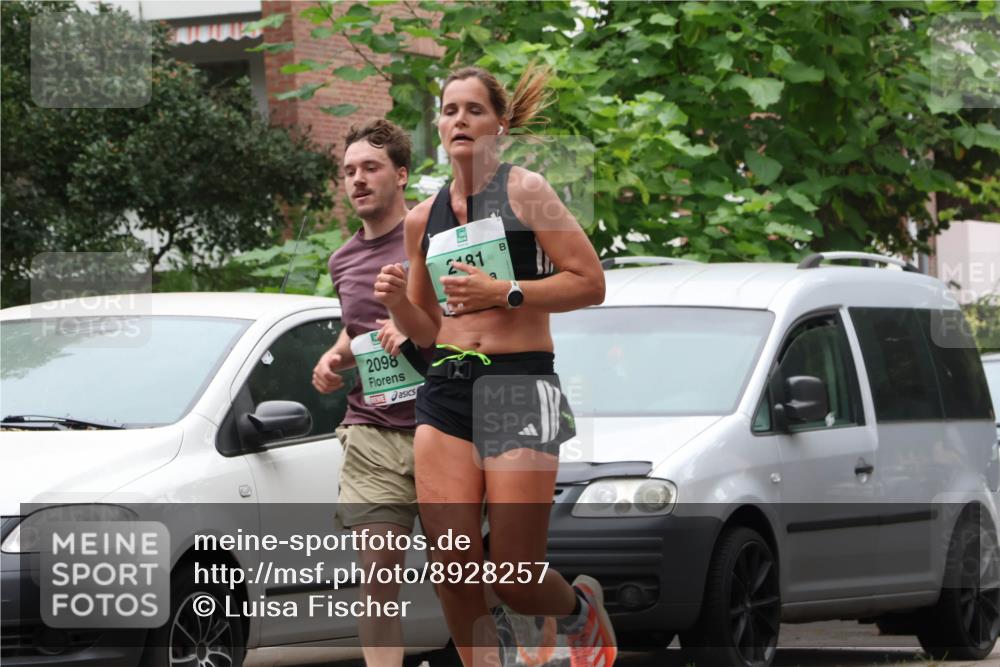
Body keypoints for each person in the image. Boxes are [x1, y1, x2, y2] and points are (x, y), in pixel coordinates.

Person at [374, 64, 615, 667]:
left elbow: (591, 283)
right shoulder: (419, 220)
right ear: (438, 125)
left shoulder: (525, 190)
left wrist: (507, 291)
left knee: (512, 571)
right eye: (450, 110)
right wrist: (400, 305)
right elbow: (430, 331)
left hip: (520, 382)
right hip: (447, 386)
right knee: (452, 560)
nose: (460, 119)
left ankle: (581, 613)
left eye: (474, 110)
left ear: (498, 126)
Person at [311, 119, 424, 667]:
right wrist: (334, 356)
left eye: (371, 168)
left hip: (444, 424)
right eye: (349, 171)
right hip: (373, 426)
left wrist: (414, 321)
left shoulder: (431, 235)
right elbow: (356, 325)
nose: (357, 179)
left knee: (480, 572)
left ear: (401, 174)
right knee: (377, 580)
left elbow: (474, 307)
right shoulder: (342, 260)